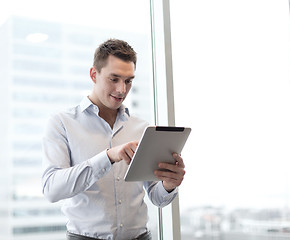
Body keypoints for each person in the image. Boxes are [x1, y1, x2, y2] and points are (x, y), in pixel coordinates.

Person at [41, 39, 186, 240]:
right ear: (94, 74)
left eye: (128, 80)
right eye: (114, 79)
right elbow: (51, 189)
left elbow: (156, 197)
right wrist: (108, 157)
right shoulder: (62, 123)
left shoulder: (141, 128)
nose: (122, 89)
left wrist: (169, 184)